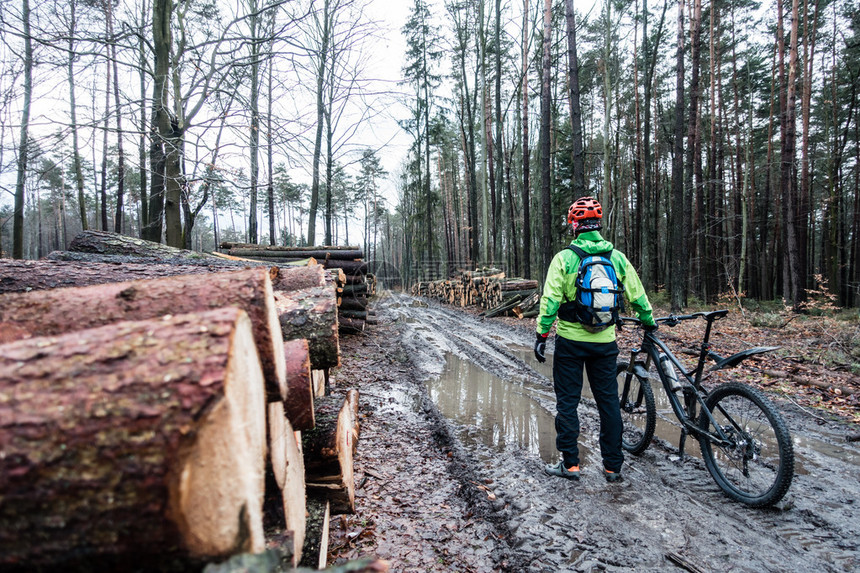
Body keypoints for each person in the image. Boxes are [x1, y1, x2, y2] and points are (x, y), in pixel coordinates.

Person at [534, 196, 657, 483]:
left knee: (568, 402)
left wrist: (541, 334)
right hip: (605, 342)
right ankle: (613, 467)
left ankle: (571, 465)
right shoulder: (616, 257)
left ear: (573, 225)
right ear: (598, 224)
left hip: (570, 342)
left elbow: (550, 300)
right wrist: (649, 321)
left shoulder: (564, 258)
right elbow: (637, 295)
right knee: (608, 404)